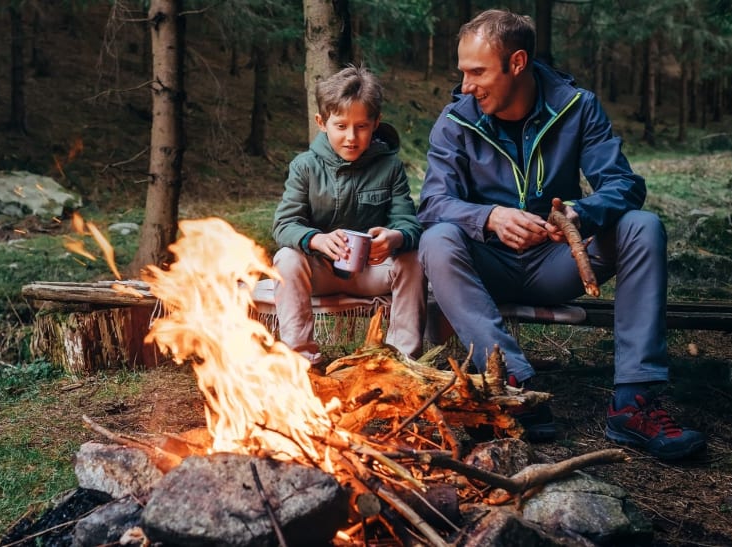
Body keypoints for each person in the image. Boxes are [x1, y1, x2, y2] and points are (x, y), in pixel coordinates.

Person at [417, 9, 705, 460]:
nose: (466, 85)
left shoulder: (577, 106)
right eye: (463, 72)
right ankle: (513, 383)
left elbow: (625, 185)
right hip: (484, 266)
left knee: (642, 227)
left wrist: (579, 213)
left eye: (477, 72)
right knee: (436, 239)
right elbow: (433, 204)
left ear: (516, 63)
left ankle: (634, 404)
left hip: (559, 263)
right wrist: (490, 217)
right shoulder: (456, 121)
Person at [272, 66, 426, 366]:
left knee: (413, 258)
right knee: (286, 259)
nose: (351, 137)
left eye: (362, 127)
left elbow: (409, 224)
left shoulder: (389, 167)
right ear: (322, 122)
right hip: (321, 272)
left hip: (373, 271)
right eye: (341, 126)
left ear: (376, 123)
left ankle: (401, 361)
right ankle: (301, 362)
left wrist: (394, 237)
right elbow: (283, 225)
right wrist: (315, 240)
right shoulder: (304, 166)